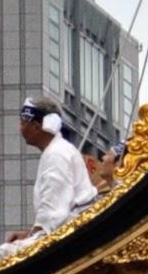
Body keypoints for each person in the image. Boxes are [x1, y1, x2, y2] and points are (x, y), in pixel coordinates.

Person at [17, 100, 96, 236]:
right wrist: (29, 234)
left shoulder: (57, 154)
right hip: (73, 228)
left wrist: (32, 236)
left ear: (36, 127)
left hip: (74, 235)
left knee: (5, 249)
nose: (20, 129)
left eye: (23, 123)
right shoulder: (58, 150)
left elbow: (53, 214)